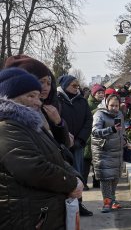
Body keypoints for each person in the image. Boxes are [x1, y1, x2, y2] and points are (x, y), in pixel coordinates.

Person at [0, 68, 83, 229]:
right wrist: (71, 183)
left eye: (38, 96)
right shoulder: (7, 127)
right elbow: (33, 168)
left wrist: (75, 176)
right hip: (26, 218)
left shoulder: (29, 125)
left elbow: (56, 155)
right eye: (31, 96)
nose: (38, 102)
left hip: (41, 214)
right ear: (9, 98)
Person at [3, 54, 73, 148]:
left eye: (49, 83)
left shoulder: (48, 106)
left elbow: (64, 144)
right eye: (41, 82)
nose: (46, 87)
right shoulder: (12, 118)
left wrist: (59, 123)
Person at [57, 74, 94, 216]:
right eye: (73, 85)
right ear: (65, 85)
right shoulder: (57, 100)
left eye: (77, 85)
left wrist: (80, 140)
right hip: (61, 146)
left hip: (78, 146)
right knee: (63, 176)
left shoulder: (81, 101)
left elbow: (88, 121)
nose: (76, 88)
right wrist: (63, 140)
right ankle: (63, 206)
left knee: (77, 175)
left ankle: (79, 204)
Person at [91, 93, 125, 213]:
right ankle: (106, 203)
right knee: (106, 179)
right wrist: (111, 129)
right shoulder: (99, 114)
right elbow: (95, 132)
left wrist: (126, 142)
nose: (115, 108)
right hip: (103, 152)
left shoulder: (120, 114)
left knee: (115, 178)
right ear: (106, 104)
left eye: (117, 105)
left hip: (117, 152)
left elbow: (122, 132)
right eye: (112, 106)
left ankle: (113, 200)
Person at [83, 83, 106, 190]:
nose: (101, 94)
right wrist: (98, 110)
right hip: (89, 137)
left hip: (100, 136)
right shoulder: (87, 103)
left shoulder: (104, 103)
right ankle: (83, 183)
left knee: (98, 162)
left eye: (102, 93)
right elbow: (86, 117)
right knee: (86, 162)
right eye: (99, 93)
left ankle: (97, 182)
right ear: (93, 94)